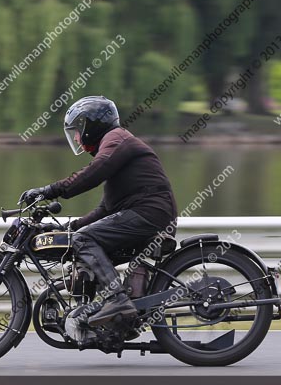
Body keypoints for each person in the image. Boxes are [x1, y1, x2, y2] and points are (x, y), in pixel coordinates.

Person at [20, 96, 177, 327]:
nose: (76, 137)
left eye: (78, 129)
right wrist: (69, 228)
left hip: (149, 212)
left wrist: (49, 190)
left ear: (92, 125)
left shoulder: (117, 139)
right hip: (149, 212)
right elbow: (105, 210)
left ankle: (117, 300)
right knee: (82, 239)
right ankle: (108, 315)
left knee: (84, 240)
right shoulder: (116, 145)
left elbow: (94, 172)